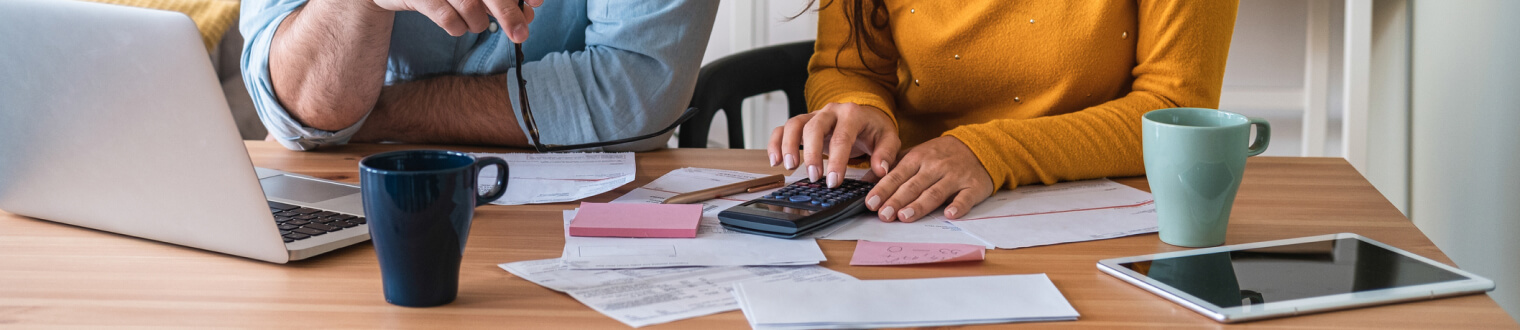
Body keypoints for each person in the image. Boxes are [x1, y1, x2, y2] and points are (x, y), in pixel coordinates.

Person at [770, 1, 1238, 222]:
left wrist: (986, 152)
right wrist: (866, 109)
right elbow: (846, 67)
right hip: (908, 207)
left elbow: (1176, 112)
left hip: (1096, 220)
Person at [240, 0, 718, 152]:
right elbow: (299, 104)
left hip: (571, 221)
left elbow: (634, 95)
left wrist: (376, 114)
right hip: (349, 194)